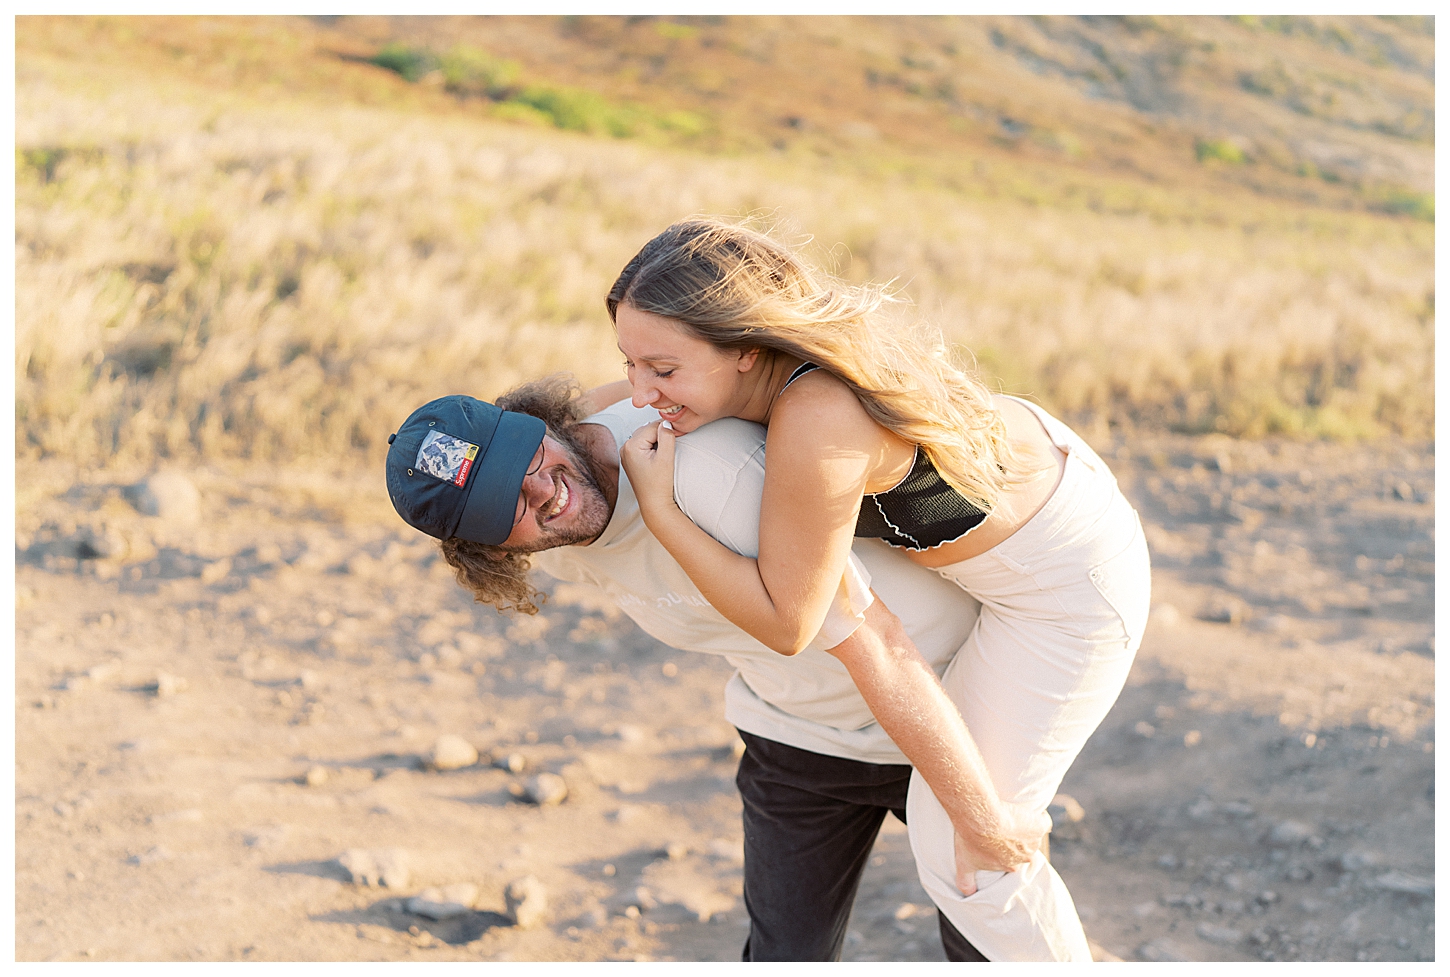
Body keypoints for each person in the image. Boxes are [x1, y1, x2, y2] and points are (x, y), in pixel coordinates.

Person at [384, 375, 1091, 961]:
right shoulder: (559, 537)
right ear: (490, 554)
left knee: (990, 933)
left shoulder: (704, 470)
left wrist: (979, 814)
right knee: (783, 956)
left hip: (936, 702)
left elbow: (878, 641)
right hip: (798, 730)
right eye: (501, 505)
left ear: (535, 422)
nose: (539, 490)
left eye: (523, 459)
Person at [608, 217, 1151, 951]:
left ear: (745, 346)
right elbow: (597, 400)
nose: (639, 393)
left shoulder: (819, 411)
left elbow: (790, 622)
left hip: (1061, 586)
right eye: (629, 363)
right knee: (959, 818)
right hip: (1037, 489)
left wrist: (663, 511)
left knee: (969, 845)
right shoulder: (766, 372)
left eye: (662, 371)